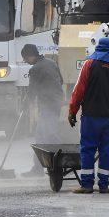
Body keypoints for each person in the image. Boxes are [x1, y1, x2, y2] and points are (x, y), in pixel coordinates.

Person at [67, 37, 109, 194]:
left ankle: (87, 185)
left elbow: (78, 90)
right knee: (106, 151)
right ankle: (104, 185)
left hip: (90, 116)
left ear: (98, 48)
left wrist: (72, 111)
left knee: (87, 148)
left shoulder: (89, 64)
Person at [21, 44, 66, 176]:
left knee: (47, 135)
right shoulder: (51, 63)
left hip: (48, 105)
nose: (25, 61)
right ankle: (40, 167)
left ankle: (61, 162)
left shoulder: (35, 69)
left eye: (25, 58)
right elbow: (61, 81)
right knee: (43, 135)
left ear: (30, 56)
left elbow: (32, 90)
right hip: (56, 103)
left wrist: (25, 103)